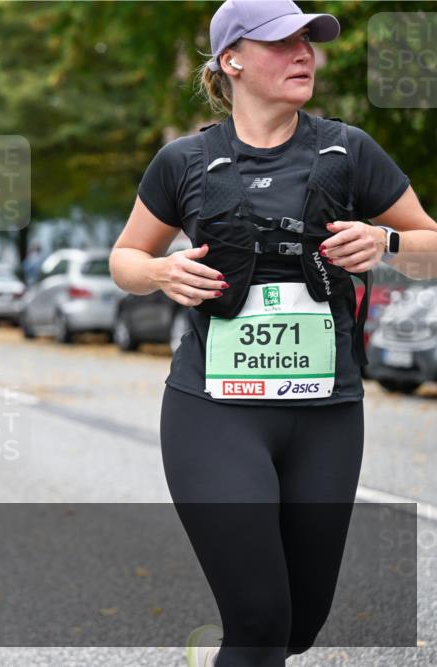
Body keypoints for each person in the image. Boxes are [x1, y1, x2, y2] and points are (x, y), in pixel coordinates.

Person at [108, 2, 437, 666]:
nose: (304, 53)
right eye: (281, 42)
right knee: (260, 621)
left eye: (308, 41)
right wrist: (160, 272)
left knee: (298, 625)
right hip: (215, 410)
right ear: (231, 60)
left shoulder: (349, 151)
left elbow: (430, 244)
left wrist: (387, 239)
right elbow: (125, 259)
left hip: (327, 412)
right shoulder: (185, 160)